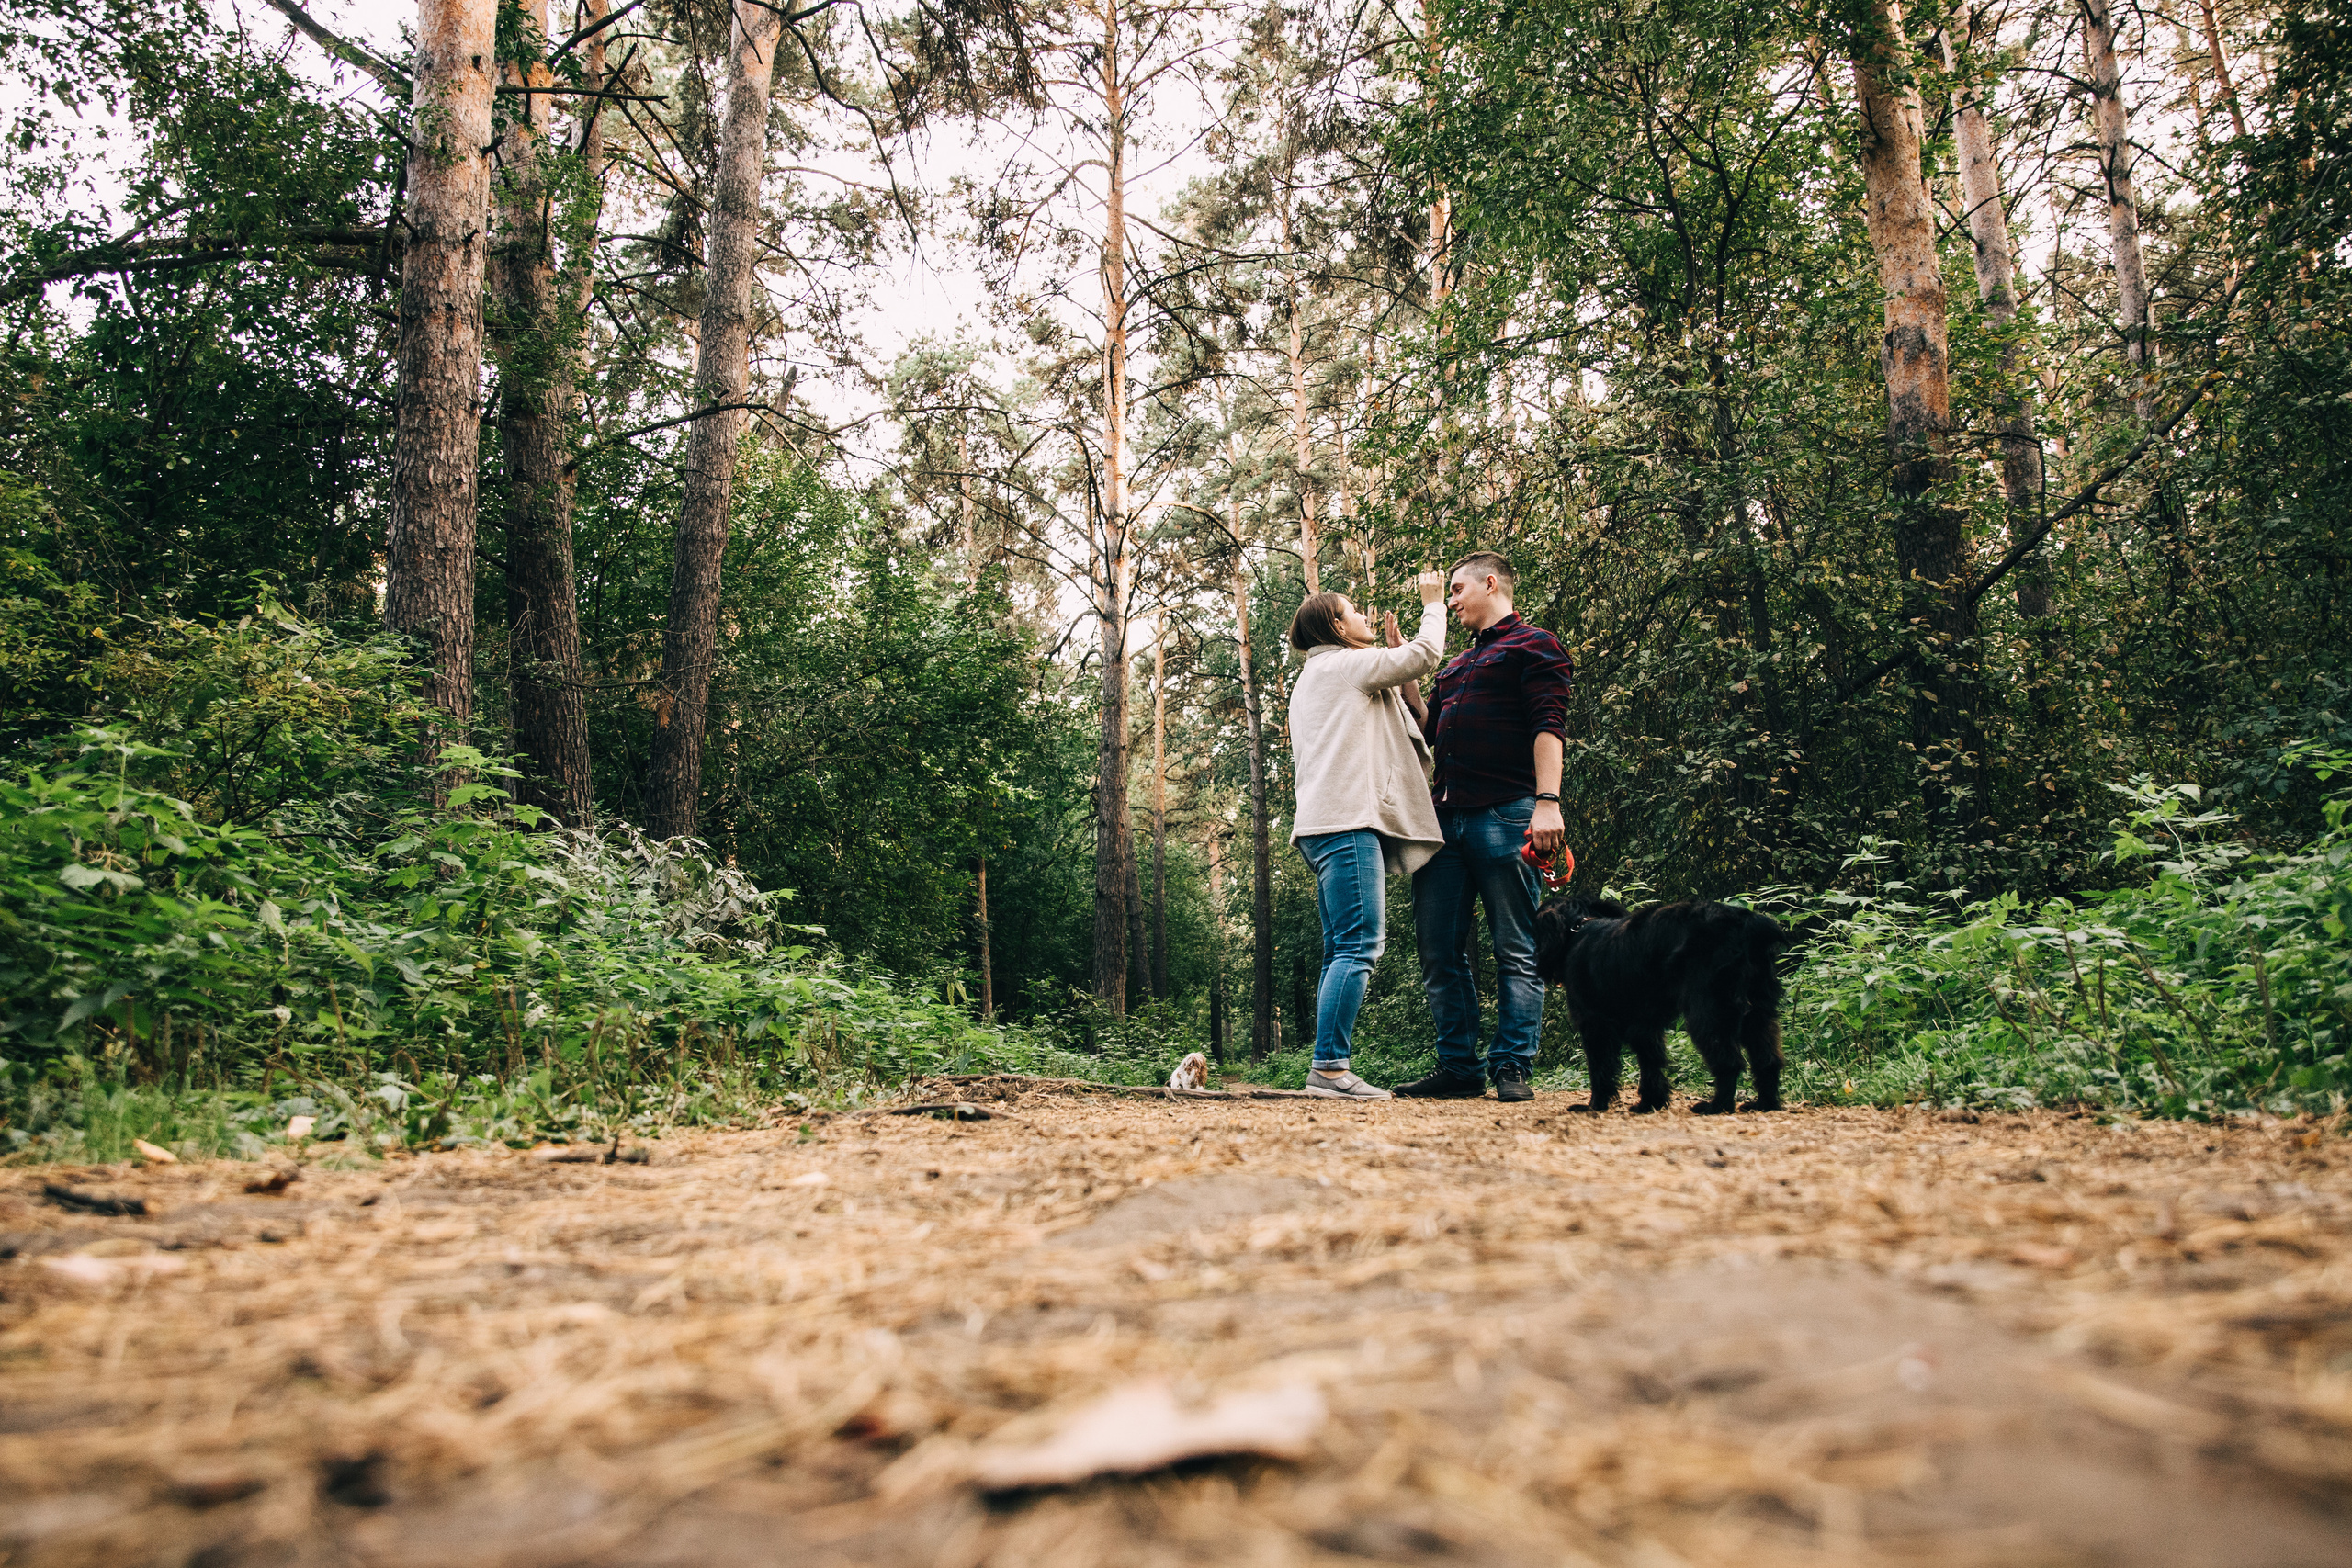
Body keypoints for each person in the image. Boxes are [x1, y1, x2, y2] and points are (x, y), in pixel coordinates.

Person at [1392, 551, 1574, 1104]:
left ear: (1490, 584)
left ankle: (1513, 1066)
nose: (1450, 600)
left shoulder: (1535, 645)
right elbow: (1430, 732)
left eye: (1455, 590)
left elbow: (1549, 725)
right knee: (1437, 947)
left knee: (1514, 946)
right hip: (1442, 822)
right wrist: (1410, 677)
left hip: (1509, 813)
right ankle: (1458, 1068)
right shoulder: (1453, 666)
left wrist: (1548, 803)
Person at [1284, 570, 1451, 1100]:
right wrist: (1433, 601)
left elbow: (1403, 698)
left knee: (1342, 948)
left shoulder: (1315, 678)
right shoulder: (1345, 666)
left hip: (1322, 827)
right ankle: (1330, 1070)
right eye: (1355, 611)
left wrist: (1396, 659)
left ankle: (1327, 1067)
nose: (1365, 618)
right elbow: (1427, 653)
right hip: (1346, 825)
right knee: (1359, 946)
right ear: (1337, 625)